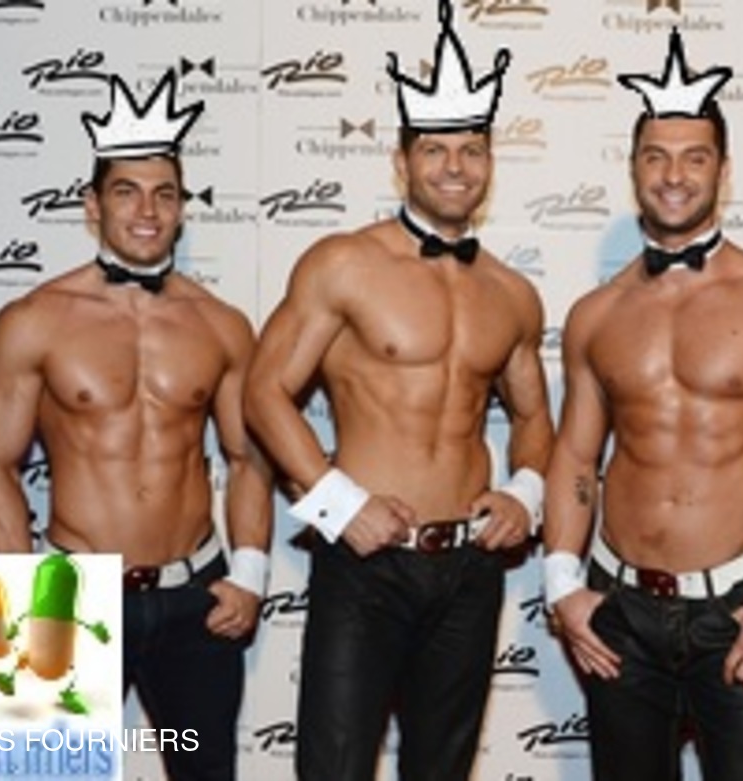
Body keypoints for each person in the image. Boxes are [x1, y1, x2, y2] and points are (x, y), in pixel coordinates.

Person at [241, 3, 552, 779]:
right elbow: (264, 392)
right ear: (402, 160)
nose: (455, 166)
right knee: (336, 766)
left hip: (469, 568)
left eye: (472, 149)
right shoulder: (343, 263)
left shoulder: (512, 293)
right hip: (366, 563)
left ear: (490, 161)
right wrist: (337, 504)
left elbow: (535, 415)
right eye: (435, 148)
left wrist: (525, 491)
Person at [542, 29, 743, 781]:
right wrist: (563, 588)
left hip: (737, 613)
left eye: (694, 157)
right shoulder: (595, 314)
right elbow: (576, 455)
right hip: (619, 608)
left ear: (724, 169)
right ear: (633, 169)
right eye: (656, 157)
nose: (673, 175)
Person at [0, 70, 272, 781]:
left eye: (165, 194)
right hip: (74, 595)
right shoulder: (33, 320)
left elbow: (248, 457)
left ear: (182, 209)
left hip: (196, 597)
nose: (147, 210)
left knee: (203, 770)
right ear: (92, 204)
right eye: (127, 191)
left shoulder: (222, 325)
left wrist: (250, 573)